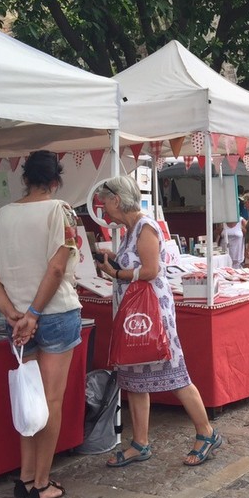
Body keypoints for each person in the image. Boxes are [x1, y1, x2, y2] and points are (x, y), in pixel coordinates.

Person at [94, 176, 223, 466]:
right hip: (136, 314)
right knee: (135, 375)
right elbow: (139, 264)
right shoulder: (131, 230)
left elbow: (151, 270)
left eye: (105, 203)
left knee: (175, 372)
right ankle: (140, 442)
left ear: (117, 199)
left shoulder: (145, 226)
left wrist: (115, 274)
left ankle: (206, 432)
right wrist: (116, 259)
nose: (104, 210)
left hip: (152, 313)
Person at [0, 151, 81, 498]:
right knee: (50, 401)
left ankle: (25, 476)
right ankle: (42, 482)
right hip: (53, 313)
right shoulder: (60, 210)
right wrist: (34, 313)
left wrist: (12, 313)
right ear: (55, 181)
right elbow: (56, 268)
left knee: (29, 397)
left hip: (20, 318)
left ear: (25, 179)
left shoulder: (4, 215)